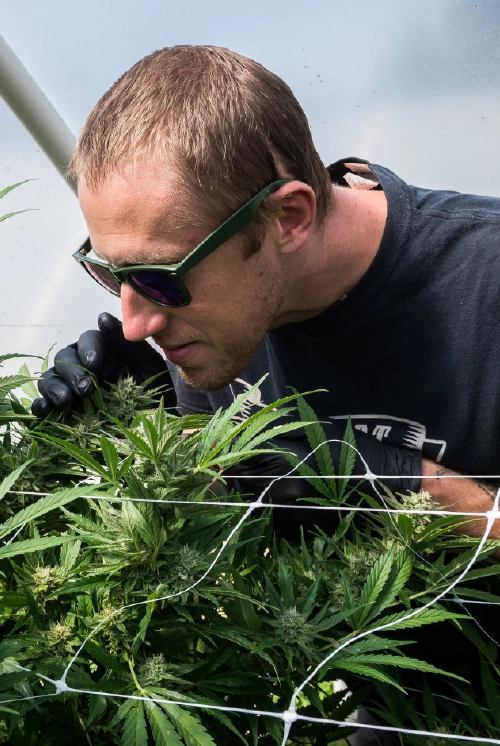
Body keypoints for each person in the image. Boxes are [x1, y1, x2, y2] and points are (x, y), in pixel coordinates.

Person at [31, 44, 500, 743]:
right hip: (393, 714)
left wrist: (395, 479)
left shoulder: (483, 283)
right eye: (110, 274)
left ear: (287, 217)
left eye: (161, 278)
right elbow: (245, 538)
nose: (135, 319)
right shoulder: (213, 331)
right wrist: (150, 443)